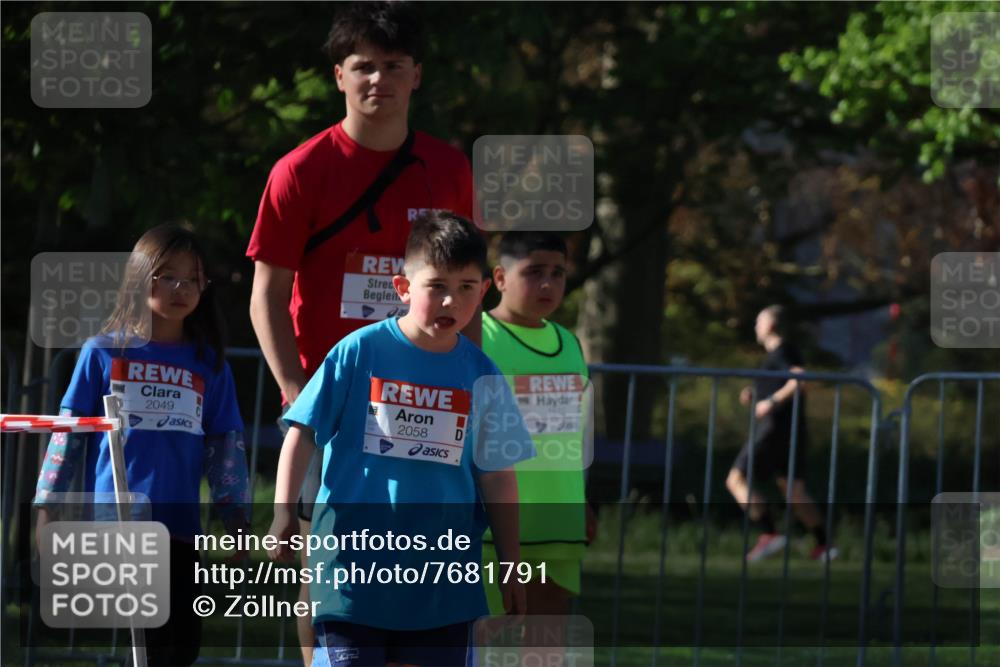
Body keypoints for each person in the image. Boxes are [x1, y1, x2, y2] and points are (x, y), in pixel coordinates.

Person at [245, 4, 474, 660]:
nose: (380, 78)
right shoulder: (299, 170)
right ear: (339, 76)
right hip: (335, 403)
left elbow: (465, 289)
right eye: (363, 66)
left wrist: (475, 391)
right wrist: (299, 393)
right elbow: (265, 294)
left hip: (427, 399)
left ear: (417, 76)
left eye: (394, 65)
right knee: (329, 574)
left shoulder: (449, 169)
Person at [266, 211, 532, 667]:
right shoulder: (359, 351)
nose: (451, 300)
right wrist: (283, 514)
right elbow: (302, 434)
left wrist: (511, 561)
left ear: (485, 291)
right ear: (404, 288)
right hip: (354, 570)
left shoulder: (483, 374)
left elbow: (497, 477)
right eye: (437, 286)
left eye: (467, 287)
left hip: (444, 583)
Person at [34, 224, 250, 666]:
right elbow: (68, 434)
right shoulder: (101, 353)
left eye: (191, 279)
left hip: (183, 528)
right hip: (121, 524)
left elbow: (225, 449)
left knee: (181, 647)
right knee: (152, 645)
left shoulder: (210, 365)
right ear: (138, 276)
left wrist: (237, 522)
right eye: (167, 275)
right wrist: (46, 508)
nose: (179, 288)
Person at [479, 231, 596, 616]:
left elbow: (574, 434)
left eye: (558, 273)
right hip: (493, 524)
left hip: (557, 519)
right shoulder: (476, 335)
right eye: (534, 272)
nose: (548, 283)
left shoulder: (568, 342)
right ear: (500, 278)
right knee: (487, 638)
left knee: (546, 641)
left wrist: (584, 503)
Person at [724, 305, 838, 563]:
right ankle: (824, 546)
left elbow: (799, 379)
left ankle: (769, 533)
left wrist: (771, 402)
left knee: (735, 479)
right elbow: (782, 381)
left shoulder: (784, 350)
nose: (755, 326)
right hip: (789, 431)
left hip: (774, 430)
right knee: (794, 493)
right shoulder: (774, 357)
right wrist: (755, 394)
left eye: (759, 321)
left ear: (772, 325)